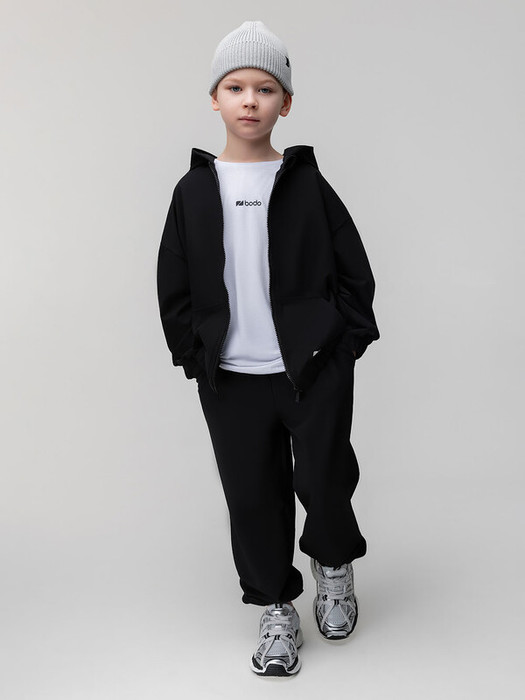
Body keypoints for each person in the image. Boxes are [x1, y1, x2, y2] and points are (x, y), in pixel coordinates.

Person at [156, 20, 380, 677]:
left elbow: (354, 273)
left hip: (311, 371)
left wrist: (341, 346)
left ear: (285, 103)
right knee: (252, 497)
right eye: (235, 87)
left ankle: (333, 566)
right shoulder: (194, 192)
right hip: (231, 377)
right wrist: (194, 354)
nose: (249, 100)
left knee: (325, 480)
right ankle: (276, 609)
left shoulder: (307, 184)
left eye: (265, 88)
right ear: (214, 98)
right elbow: (172, 282)